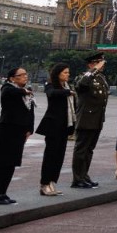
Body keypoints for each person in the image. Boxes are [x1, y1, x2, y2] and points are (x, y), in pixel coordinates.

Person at [0, 66, 36, 205]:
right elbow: (9, 92)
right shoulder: (8, 88)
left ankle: (3, 193)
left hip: (19, 131)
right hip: (7, 130)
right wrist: (24, 91)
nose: (25, 76)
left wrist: (29, 129)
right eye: (21, 75)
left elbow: (30, 112)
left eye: (25, 74)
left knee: (12, 163)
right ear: (12, 78)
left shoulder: (26, 92)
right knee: (2, 163)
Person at [36, 63, 76, 196]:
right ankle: (44, 183)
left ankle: (52, 182)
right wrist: (67, 92)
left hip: (65, 126)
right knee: (50, 155)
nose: (68, 74)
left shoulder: (68, 86)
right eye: (65, 72)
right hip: (53, 126)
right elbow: (52, 94)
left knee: (59, 156)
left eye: (68, 72)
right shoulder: (51, 85)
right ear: (58, 74)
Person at [71, 52, 110, 189]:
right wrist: (94, 70)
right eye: (98, 62)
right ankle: (77, 179)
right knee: (81, 149)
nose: (101, 65)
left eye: (102, 62)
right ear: (90, 64)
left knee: (89, 150)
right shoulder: (83, 77)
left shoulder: (101, 78)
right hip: (86, 118)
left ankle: (84, 176)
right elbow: (82, 85)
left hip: (97, 118)